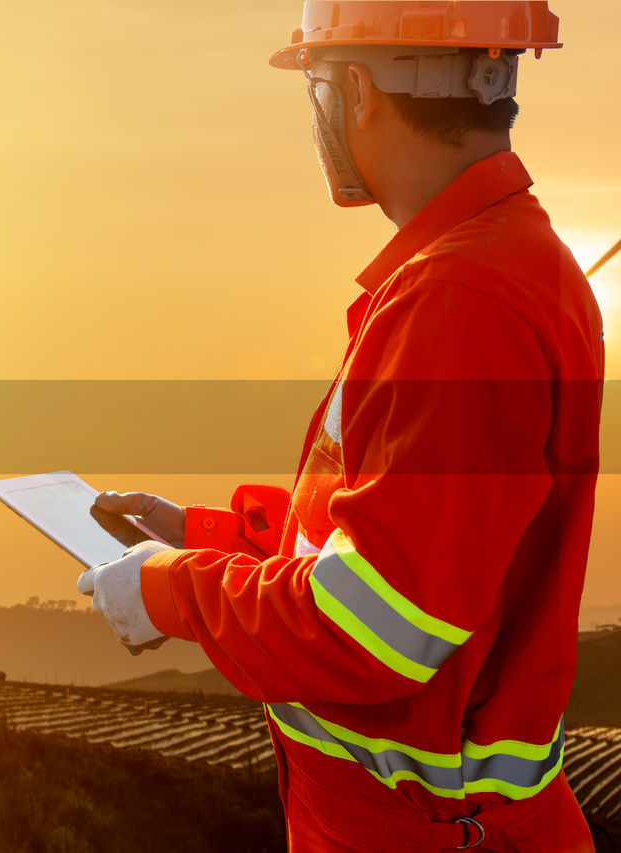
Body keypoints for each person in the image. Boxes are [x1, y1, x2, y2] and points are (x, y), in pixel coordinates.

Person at [77, 3, 604, 850]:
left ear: (357, 91)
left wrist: (175, 590)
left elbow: (380, 627)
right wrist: (210, 538)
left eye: (317, 83)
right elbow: (417, 546)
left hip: (420, 831)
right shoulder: (499, 266)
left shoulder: (459, 302)